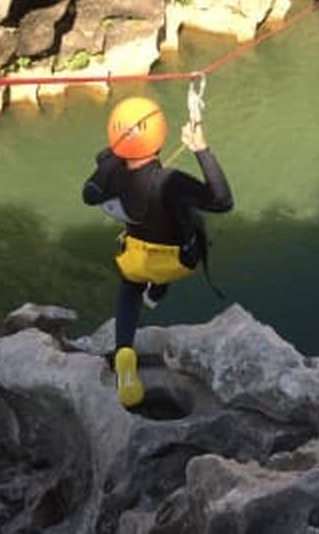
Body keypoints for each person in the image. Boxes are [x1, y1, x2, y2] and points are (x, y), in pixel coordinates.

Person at [82, 96, 233, 408]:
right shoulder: (172, 182)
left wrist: (115, 153)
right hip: (177, 262)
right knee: (188, 224)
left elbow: (90, 191)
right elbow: (222, 200)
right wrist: (201, 149)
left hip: (136, 258)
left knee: (130, 287)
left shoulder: (109, 174)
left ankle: (125, 350)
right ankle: (159, 291)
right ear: (160, 137)